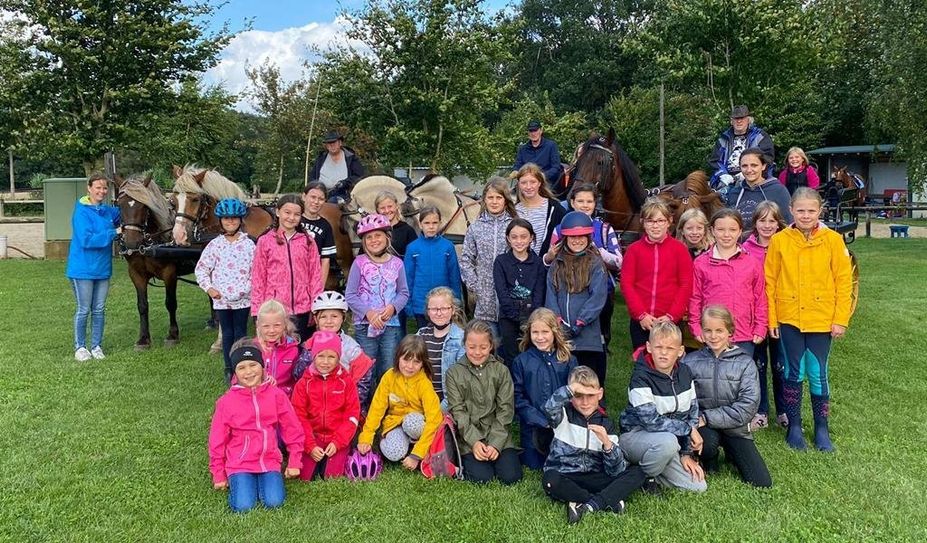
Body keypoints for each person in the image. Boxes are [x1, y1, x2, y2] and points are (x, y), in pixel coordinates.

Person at [766, 187, 853, 452]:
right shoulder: (780, 240)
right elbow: (769, 282)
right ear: (791, 210)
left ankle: (821, 427)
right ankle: (794, 426)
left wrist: (840, 318)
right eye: (800, 210)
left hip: (821, 319)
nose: (806, 215)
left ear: (820, 211)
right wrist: (773, 319)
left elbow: (843, 280)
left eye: (811, 210)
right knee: (793, 372)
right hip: (789, 317)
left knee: (818, 373)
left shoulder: (833, 240)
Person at [542, 367, 647, 524]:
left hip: (594, 476)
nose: (585, 402)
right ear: (571, 396)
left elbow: (615, 470)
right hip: (565, 475)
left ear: (600, 394)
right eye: (578, 396)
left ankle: (585, 505)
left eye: (590, 396)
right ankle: (605, 501)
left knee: (638, 472)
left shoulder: (606, 423)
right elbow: (549, 408)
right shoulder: (562, 415)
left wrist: (607, 444)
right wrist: (570, 389)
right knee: (550, 479)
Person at [208, 345, 304, 513]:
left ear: (262, 367)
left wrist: (295, 460)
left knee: (275, 502)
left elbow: (292, 428)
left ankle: (262, 481)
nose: (249, 372)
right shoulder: (225, 402)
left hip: (269, 461)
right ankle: (244, 482)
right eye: (242, 367)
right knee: (243, 506)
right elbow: (217, 439)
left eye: (253, 365)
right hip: (240, 463)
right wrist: (218, 473)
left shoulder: (276, 395)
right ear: (235, 373)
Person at [684, 305, 772, 488]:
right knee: (706, 444)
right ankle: (710, 457)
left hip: (734, 427)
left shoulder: (745, 363)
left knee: (761, 482)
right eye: (708, 330)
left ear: (730, 331)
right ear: (701, 331)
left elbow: (747, 407)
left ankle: (732, 452)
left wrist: (707, 417)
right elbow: (684, 399)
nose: (713, 336)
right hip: (703, 428)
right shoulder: (690, 361)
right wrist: (696, 421)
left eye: (719, 330)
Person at [619, 322, 706, 493]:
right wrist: (688, 430)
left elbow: (692, 412)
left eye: (670, 348)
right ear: (649, 347)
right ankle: (643, 476)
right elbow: (651, 422)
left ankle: (647, 470)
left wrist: (686, 453)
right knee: (668, 443)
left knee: (697, 486)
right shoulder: (640, 377)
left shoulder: (685, 372)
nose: (664, 353)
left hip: (669, 441)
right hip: (636, 436)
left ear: (680, 351)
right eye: (659, 347)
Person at [546, 183, 623, 352]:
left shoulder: (604, 229)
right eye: (580, 201)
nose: (585, 205)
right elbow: (553, 261)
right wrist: (549, 257)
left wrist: (599, 252)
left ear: (595, 204)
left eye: (589, 201)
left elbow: (619, 261)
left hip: (600, 290)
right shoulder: (560, 229)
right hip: (567, 290)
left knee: (599, 335)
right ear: (572, 203)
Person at [445, 320, 523, 485]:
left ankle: (499, 451)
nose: (477, 352)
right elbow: (458, 412)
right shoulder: (453, 373)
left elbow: (505, 410)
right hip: (469, 437)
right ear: (464, 344)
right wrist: (474, 442)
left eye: (483, 347)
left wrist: (495, 444)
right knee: (482, 478)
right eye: (472, 347)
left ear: (491, 346)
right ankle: (470, 457)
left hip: (498, 433)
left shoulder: (501, 371)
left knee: (511, 477)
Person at [688, 208, 767, 357]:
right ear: (712, 231)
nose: (726, 234)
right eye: (721, 229)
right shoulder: (701, 263)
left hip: (744, 333)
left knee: (741, 376)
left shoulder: (752, 263)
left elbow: (760, 297)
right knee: (713, 377)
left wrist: (761, 326)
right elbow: (695, 298)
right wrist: (696, 326)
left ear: (740, 232)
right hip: (713, 334)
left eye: (732, 230)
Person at [357, 335, 443, 471]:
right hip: (395, 424)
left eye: (416, 362)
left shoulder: (424, 383)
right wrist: (366, 437)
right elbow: (376, 409)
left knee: (412, 423)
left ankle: (417, 447)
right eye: (406, 360)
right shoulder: (389, 377)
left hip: (417, 424)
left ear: (423, 363)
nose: (410, 366)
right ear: (398, 357)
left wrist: (417, 455)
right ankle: (395, 443)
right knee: (394, 453)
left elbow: (434, 419)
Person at [545, 212, 609, 387]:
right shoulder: (557, 264)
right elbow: (550, 294)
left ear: (589, 237)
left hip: (587, 336)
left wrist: (581, 322)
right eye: (572, 237)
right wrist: (557, 321)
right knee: (564, 380)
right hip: (562, 335)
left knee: (588, 378)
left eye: (582, 236)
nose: (577, 240)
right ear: (565, 238)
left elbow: (597, 297)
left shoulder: (595, 263)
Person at [195, 198, 256, 382]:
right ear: (221, 221)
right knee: (227, 333)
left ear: (240, 220)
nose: (231, 222)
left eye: (234, 218)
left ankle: (242, 366)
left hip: (243, 298)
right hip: (221, 299)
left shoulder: (249, 245)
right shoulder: (215, 245)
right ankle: (229, 367)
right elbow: (202, 269)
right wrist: (210, 288)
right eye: (227, 219)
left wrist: (247, 288)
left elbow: (257, 270)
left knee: (241, 332)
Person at [620, 199, 693, 350]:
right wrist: (640, 314)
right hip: (642, 321)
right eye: (650, 221)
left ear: (669, 222)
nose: (655, 225)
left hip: (670, 320)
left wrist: (672, 316)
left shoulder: (680, 250)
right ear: (643, 222)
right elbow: (627, 284)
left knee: (668, 361)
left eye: (660, 220)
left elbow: (686, 285)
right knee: (643, 363)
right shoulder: (634, 250)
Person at [345, 213, 410, 382]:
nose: (374, 240)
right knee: (366, 368)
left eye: (378, 235)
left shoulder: (397, 263)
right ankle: (364, 404)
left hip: (390, 325)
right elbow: (350, 295)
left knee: (388, 368)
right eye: (369, 237)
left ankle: (386, 404)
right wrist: (369, 313)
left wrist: (393, 308)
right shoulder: (359, 262)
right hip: (365, 325)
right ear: (364, 242)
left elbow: (403, 292)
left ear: (387, 237)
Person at [741, 201, 789, 429]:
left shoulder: (786, 245)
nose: (767, 225)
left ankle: (784, 409)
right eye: (762, 220)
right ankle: (761, 411)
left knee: (781, 365)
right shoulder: (745, 248)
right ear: (755, 223)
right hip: (755, 317)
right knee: (757, 364)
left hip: (780, 315)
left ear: (778, 223)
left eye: (772, 220)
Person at [512, 308, 578, 469]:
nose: (540, 337)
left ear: (554, 332)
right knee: (535, 464)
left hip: (563, 423)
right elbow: (517, 397)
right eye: (535, 332)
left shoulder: (568, 359)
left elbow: (575, 393)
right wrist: (540, 420)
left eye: (545, 332)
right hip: (534, 425)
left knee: (563, 461)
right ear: (529, 333)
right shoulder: (521, 361)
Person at [251, 194, 323, 342]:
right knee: (279, 351)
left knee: (302, 351)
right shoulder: (265, 241)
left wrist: (316, 306)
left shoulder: (308, 241)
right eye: (287, 212)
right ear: (278, 212)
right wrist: (257, 310)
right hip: (275, 310)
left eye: (296, 214)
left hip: (304, 308)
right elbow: (258, 277)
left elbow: (315, 275)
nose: (291, 218)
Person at [290, 331, 361, 481]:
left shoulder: (346, 381)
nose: (325, 361)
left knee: (332, 476)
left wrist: (338, 442)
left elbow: (352, 414)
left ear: (338, 358)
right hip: (312, 436)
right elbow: (298, 416)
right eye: (321, 356)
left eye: (331, 357)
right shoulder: (304, 383)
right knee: (305, 476)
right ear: (313, 356)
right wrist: (309, 445)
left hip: (337, 437)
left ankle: (340, 454)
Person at [67, 173, 121, 361]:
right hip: (82, 269)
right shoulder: (81, 211)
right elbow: (87, 240)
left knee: (99, 309)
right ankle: (80, 347)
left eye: (104, 188)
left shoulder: (107, 211)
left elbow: (126, 210)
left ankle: (96, 346)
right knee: (84, 309)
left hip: (102, 269)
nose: (102, 191)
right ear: (89, 188)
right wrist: (113, 232)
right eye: (98, 187)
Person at [295, 291, 375, 410]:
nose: (329, 321)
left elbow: (363, 380)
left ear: (343, 318)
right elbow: (299, 375)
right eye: (323, 317)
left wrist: (349, 404)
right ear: (316, 320)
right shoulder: (308, 345)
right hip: (315, 402)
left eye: (334, 316)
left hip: (343, 402)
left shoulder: (351, 348)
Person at [460, 177, 517, 335]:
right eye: (490, 197)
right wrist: (475, 286)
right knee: (488, 344)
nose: (494, 201)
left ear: (505, 200)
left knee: (508, 348)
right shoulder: (475, 228)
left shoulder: (514, 225)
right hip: (484, 299)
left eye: (499, 197)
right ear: (484, 200)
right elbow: (466, 260)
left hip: (510, 296)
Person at [493, 218, 546, 366]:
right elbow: (502, 292)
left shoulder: (537, 263)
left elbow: (539, 293)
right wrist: (514, 315)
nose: (519, 241)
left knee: (532, 354)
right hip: (508, 317)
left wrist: (531, 317)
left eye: (523, 236)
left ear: (531, 238)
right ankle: (513, 387)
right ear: (508, 239)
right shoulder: (501, 262)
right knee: (512, 356)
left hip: (532, 318)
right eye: (514, 237)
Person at [405, 206, 462, 328]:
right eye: (427, 223)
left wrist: (456, 302)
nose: (431, 226)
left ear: (440, 223)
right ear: (420, 224)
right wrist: (409, 304)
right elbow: (408, 278)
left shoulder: (448, 247)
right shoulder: (412, 248)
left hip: (444, 304)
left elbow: (454, 277)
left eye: (435, 223)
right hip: (420, 304)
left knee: (444, 337)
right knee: (424, 340)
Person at [233, 300, 300, 397]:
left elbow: (297, 380)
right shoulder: (250, 349)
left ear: (285, 325)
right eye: (266, 326)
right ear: (258, 325)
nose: (271, 330)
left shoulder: (293, 349)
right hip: (256, 398)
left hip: (283, 398)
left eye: (277, 325)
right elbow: (237, 379)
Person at [416, 287, 466, 407]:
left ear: (452, 310)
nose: (439, 313)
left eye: (444, 308)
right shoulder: (420, 335)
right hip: (421, 397)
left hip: (449, 400)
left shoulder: (461, 338)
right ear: (428, 311)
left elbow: (462, 380)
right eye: (434, 309)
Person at [708, 105, 775, 195]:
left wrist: (746, 172)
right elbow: (715, 161)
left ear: (748, 120)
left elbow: (768, 158)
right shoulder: (723, 139)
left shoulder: (760, 136)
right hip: (726, 181)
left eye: (742, 118)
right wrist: (722, 174)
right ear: (731, 121)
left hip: (754, 176)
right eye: (736, 118)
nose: (739, 121)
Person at [726, 147, 793, 233]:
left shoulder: (778, 191)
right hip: (741, 244)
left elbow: (789, 224)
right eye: (744, 166)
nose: (749, 170)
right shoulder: (735, 193)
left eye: (754, 165)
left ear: (763, 166)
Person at [514, 163, 567, 257]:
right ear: (518, 184)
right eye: (524, 182)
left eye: (533, 182)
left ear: (540, 183)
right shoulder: (514, 210)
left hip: (546, 266)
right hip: (519, 266)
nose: (528, 187)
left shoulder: (555, 208)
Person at [309, 130, 365, 202]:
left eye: (334, 142)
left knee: (333, 201)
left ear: (340, 143)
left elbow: (359, 176)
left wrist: (344, 183)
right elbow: (312, 177)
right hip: (320, 193)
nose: (332, 145)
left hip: (344, 194)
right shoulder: (321, 158)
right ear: (326, 146)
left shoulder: (350, 157)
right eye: (329, 143)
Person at [300, 182, 337, 288]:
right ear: (304, 196)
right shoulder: (294, 221)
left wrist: (319, 287)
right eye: (313, 197)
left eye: (321, 199)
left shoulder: (325, 226)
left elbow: (325, 260)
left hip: (312, 276)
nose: (316, 202)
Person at [513, 120, 564, 196]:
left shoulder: (551, 146)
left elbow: (556, 168)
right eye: (531, 131)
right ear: (528, 133)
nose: (533, 133)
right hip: (527, 182)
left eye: (535, 130)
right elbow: (517, 166)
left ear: (541, 131)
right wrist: (516, 171)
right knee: (510, 196)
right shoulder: (522, 149)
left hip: (546, 182)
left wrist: (542, 176)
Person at [375, 191, 417, 258]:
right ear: (377, 210)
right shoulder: (373, 231)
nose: (387, 211)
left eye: (390, 206)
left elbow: (415, 257)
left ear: (396, 206)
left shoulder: (408, 231)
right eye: (382, 208)